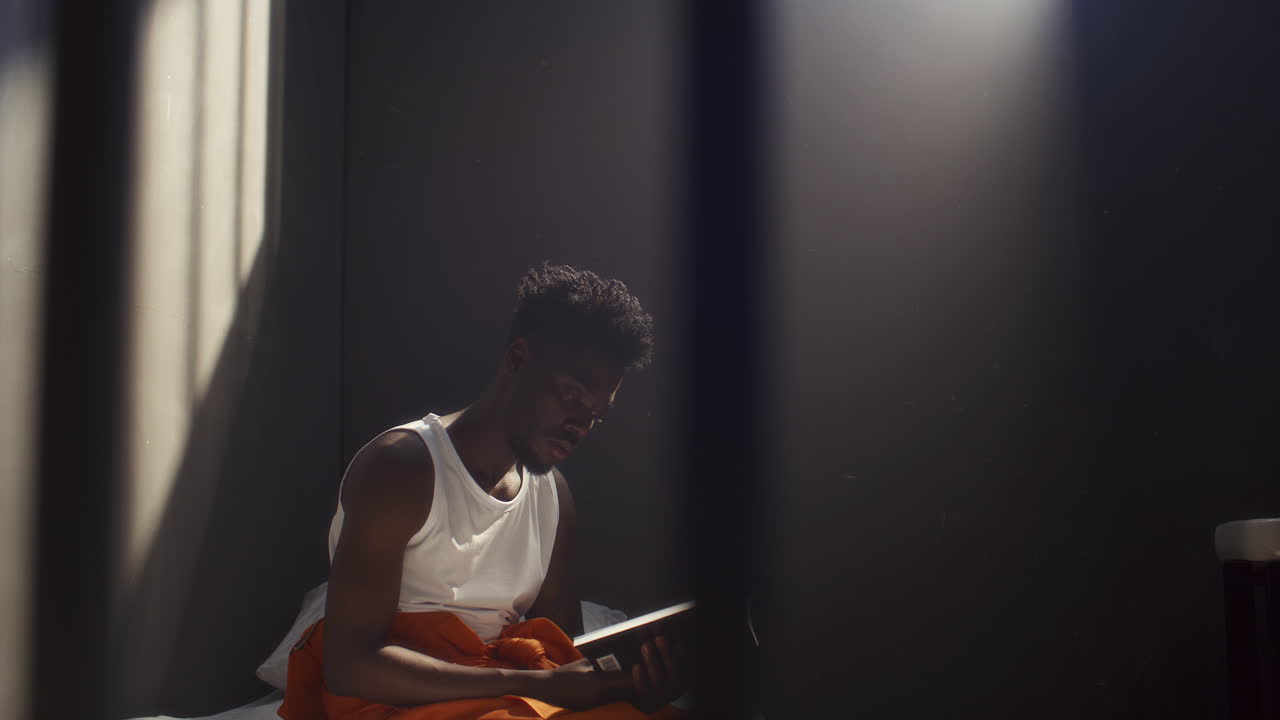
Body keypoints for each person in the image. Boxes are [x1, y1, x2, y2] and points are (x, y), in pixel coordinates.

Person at [280, 263, 686, 719]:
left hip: (499, 696)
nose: (580, 425)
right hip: (389, 701)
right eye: (573, 395)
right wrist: (532, 683)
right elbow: (350, 666)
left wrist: (635, 682)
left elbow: (566, 653)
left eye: (596, 414)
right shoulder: (401, 468)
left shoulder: (553, 496)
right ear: (518, 359)